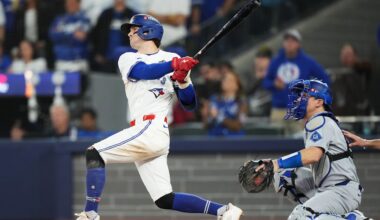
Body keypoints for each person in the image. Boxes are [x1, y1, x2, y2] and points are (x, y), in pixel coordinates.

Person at [75, 14, 243, 220]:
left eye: (133, 28)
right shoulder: (128, 58)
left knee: (95, 154)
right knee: (164, 199)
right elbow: (144, 71)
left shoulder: (173, 59)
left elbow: (189, 104)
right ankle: (224, 211)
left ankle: (90, 214)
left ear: (148, 31)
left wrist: (181, 81)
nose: (129, 32)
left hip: (152, 128)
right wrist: (175, 66)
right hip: (145, 132)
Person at [248, 79, 364, 219]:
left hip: (341, 190)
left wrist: (276, 163)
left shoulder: (320, 120)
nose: (298, 100)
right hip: (330, 188)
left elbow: (314, 154)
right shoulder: (320, 121)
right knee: (282, 175)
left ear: (319, 102)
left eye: (304, 96)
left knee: (301, 216)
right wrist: (274, 167)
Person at [263, 29, 330, 135]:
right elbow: (265, 82)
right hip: (278, 110)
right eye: (287, 40)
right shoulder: (276, 62)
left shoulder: (307, 62)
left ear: (298, 44)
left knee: (301, 142)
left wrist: (311, 95)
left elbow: (324, 79)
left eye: (293, 41)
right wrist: (274, 84)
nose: (289, 44)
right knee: (275, 144)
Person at [91, 0, 134, 72]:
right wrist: (98, 53)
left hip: (126, 60)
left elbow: (137, 37)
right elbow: (97, 35)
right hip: (106, 58)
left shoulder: (132, 15)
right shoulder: (105, 14)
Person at [49, 0, 91, 73]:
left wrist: (62, 34)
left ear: (78, 4)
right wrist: (72, 34)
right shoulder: (59, 20)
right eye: (68, 3)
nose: (69, 5)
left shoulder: (84, 19)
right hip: (61, 61)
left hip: (78, 62)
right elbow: (53, 35)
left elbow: (81, 37)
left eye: (72, 3)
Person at [206, 71, 247, 136]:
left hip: (234, 140)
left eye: (230, 80)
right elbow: (205, 125)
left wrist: (219, 117)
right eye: (224, 79)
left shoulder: (241, 103)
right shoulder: (214, 100)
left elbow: (238, 126)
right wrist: (206, 115)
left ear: (237, 85)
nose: (226, 82)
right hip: (214, 139)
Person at [247, 46, 272, 117]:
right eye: (258, 58)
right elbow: (246, 93)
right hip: (257, 113)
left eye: (264, 58)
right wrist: (258, 78)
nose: (260, 61)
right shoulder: (250, 76)